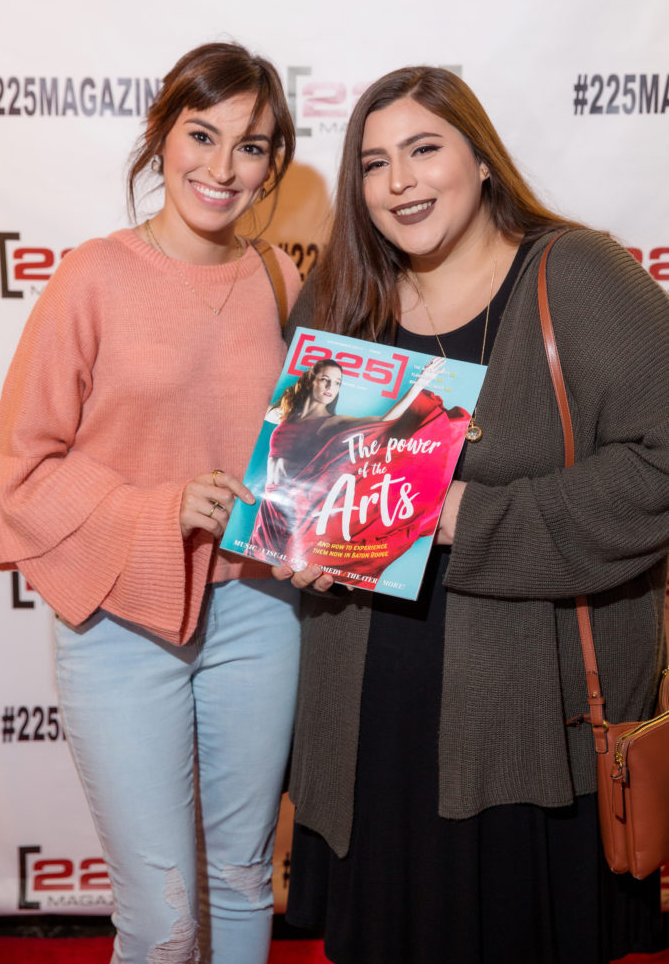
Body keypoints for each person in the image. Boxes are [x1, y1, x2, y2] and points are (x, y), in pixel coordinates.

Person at [276, 66, 669, 964]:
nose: (399, 182)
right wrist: (304, 543)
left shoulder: (573, 274)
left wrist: (466, 515)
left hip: (522, 730)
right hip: (368, 724)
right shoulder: (340, 292)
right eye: (374, 163)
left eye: (423, 150)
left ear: (482, 160)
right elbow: (314, 493)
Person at [0, 42, 304, 964]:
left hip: (259, 612)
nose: (222, 166)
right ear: (161, 135)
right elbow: (17, 471)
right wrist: (160, 509)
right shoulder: (93, 274)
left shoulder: (279, 279)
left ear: (271, 164)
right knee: (163, 921)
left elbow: (304, 454)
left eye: (250, 146)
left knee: (244, 879)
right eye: (202, 135)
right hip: (119, 623)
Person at [249, 356, 469, 587]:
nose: (330, 387)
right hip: (271, 508)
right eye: (325, 379)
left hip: (299, 508)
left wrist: (418, 385)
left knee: (308, 563)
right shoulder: (284, 414)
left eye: (337, 382)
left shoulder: (334, 422)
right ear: (309, 381)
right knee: (274, 566)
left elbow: (384, 422)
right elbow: (253, 410)